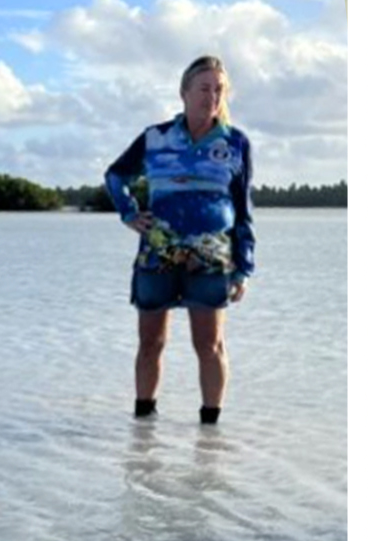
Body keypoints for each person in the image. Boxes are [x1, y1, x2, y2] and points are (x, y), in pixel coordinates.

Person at [104, 55, 254, 424]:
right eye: (204, 88)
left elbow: (243, 208)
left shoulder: (236, 143)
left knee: (210, 345)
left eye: (219, 89)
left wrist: (244, 267)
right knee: (151, 343)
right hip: (158, 251)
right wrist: (128, 212)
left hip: (212, 255)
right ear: (184, 92)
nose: (212, 96)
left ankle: (210, 434)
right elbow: (114, 176)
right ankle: (142, 427)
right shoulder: (155, 138)